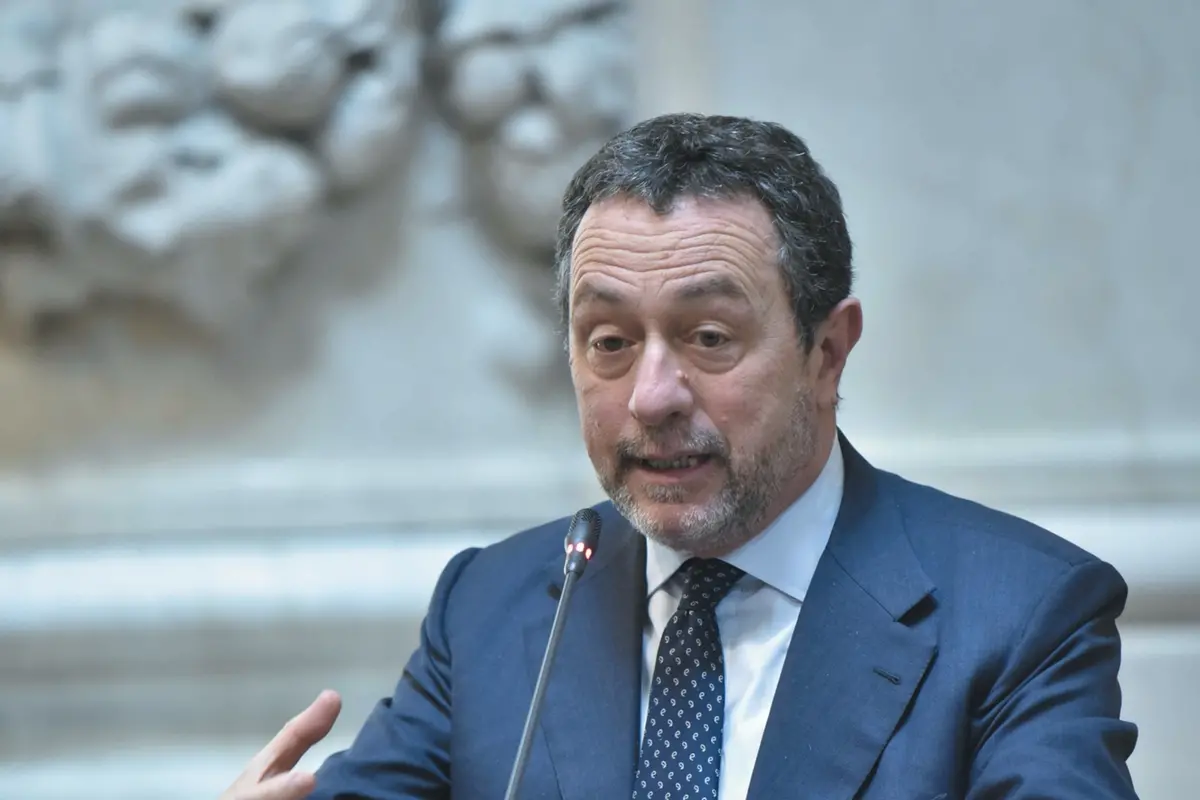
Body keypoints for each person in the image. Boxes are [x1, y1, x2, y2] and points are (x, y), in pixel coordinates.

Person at [221, 113, 1141, 800]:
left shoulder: (1019, 616)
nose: (651, 397)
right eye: (609, 343)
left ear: (827, 353)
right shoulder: (495, 610)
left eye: (708, 337)